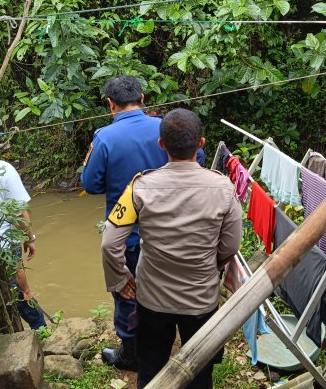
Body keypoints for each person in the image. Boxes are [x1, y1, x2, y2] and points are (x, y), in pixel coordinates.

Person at [102, 108, 242, 388]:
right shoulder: (223, 188)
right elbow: (231, 244)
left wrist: (120, 279)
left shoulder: (139, 187)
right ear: (201, 144)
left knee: (150, 368)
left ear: (161, 145)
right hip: (201, 300)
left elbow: (109, 242)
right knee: (200, 373)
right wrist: (208, 266)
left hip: (152, 299)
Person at [81, 76, 204, 369]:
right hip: (174, 228)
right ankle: (186, 351)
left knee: (128, 292)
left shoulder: (105, 138)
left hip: (129, 235)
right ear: (143, 98)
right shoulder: (168, 128)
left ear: (110, 104)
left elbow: (91, 183)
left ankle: (132, 354)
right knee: (171, 285)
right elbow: (194, 161)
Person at [0, 107, 46, 330]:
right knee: (21, 293)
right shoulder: (3, 169)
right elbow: (20, 213)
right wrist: (30, 238)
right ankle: (42, 332)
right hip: (2, 247)